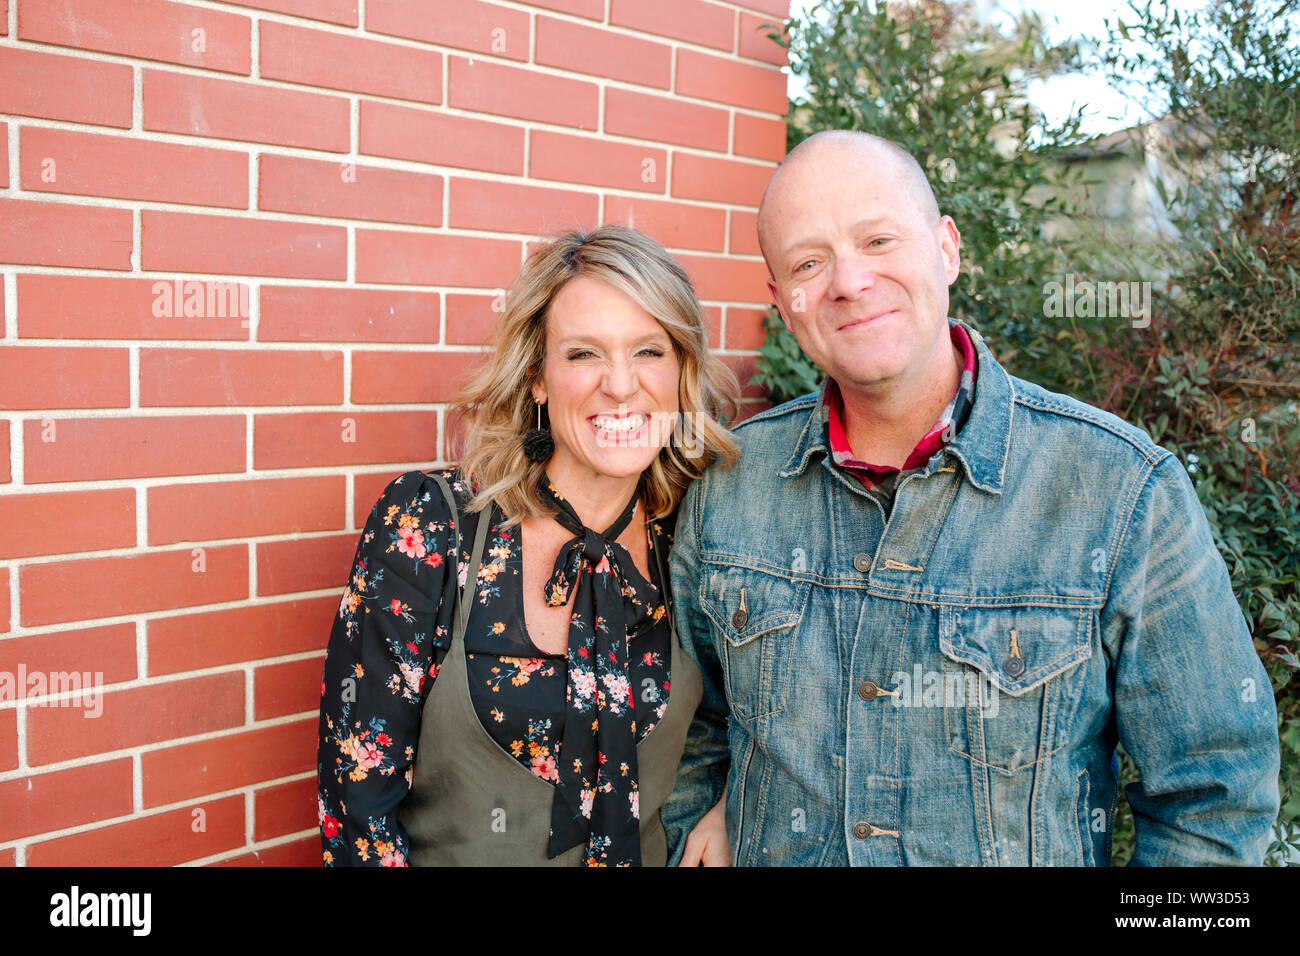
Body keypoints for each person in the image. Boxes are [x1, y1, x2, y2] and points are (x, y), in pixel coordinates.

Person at [660, 130, 1281, 866]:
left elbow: (1215, 796)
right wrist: (713, 813)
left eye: (879, 239)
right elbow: (693, 726)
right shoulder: (730, 482)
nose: (849, 282)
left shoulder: (1119, 491)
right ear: (782, 302)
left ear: (946, 248)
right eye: (808, 261)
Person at [317, 223, 740, 866]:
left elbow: (776, 712)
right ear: (538, 378)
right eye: (583, 354)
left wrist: (726, 804)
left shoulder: (698, 536)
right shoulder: (432, 526)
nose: (621, 385)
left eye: (649, 351)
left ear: (681, 368)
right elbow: (358, 820)